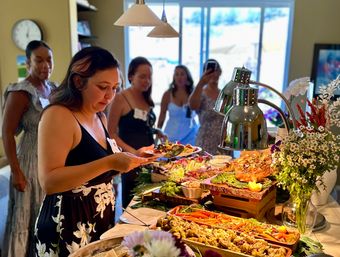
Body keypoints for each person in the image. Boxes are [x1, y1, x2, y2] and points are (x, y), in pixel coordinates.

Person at [34, 47, 147, 256]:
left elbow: (101, 161)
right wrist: (111, 163)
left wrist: (136, 156)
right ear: (78, 82)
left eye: (115, 88)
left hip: (97, 218)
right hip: (68, 222)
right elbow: (49, 182)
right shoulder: (59, 115)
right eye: (103, 87)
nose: (110, 96)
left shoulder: (99, 116)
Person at [1, 40, 56, 257]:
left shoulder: (53, 89)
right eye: (39, 60)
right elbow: (6, 133)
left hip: (50, 160)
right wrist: (16, 171)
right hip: (29, 162)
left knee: (45, 214)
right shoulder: (20, 92)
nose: (45, 65)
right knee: (26, 217)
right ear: (28, 62)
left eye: (49, 59)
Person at [108, 56, 165, 208]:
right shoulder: (120, 98)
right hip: (131, 160)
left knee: (149, 200)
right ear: (131, 76)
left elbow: (143, 126)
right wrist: (133, 153)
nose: (147, 80)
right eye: (142, 76)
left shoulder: (146, 98)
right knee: (132, 203)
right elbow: (111, 133)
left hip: (149, 159)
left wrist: (157, 131)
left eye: (149, 77)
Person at [188, 59, 224, 155]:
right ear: (204, 72)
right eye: (209, 70)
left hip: (223, 143)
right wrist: (201, 83)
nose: (213, 74)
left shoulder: (224, 94)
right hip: (205, 142)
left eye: (215, 70)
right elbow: (192, 106)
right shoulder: (201, 93)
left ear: (220, 72)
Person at [157, 65, 199, 145]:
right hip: (171, 135)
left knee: (192, 156)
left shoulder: (194, 94)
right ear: (174, 77)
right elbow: (162, 114)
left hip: (191, 134)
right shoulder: (167, 94)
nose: (179, 77)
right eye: (176, 74)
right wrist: (158, 130)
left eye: (182, 74)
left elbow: (200, 112)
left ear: (187, 76)